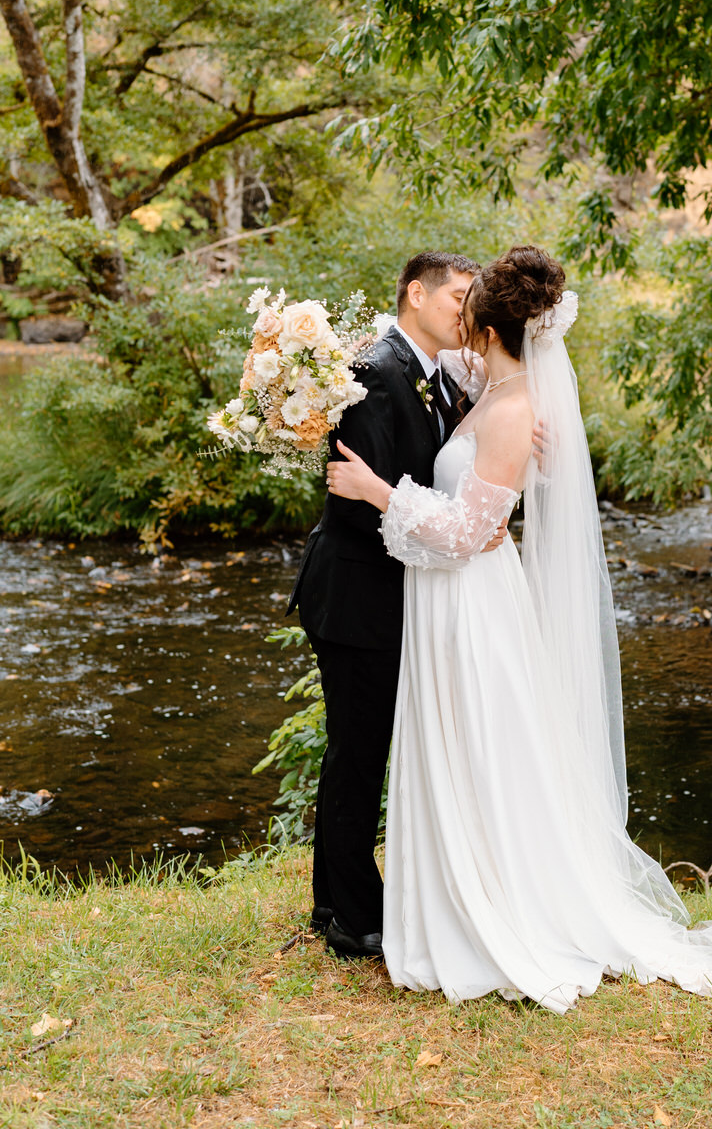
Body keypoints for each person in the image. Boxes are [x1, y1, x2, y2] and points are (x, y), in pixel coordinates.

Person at [326, 245, 712, 1011]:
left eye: (469, 308)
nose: (459, 318)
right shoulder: (488, 387)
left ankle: (490, 904)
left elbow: (467, 534)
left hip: (470, 601)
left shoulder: (515, 406)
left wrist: (376, 490)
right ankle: (441, 898)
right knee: (463, 747)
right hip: (448, 600)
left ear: (488, 329)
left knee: (483, 747)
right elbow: (430, 396)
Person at [286, 250, 490, 958]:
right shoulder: (376, 372)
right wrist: (450, 535)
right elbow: (356, 508)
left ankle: (331, 900)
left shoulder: (432, 375)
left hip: (388, 593)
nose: (467, 312)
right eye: (458, 297)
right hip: (356, 595)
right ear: (415, 294)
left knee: (361, 746)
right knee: (359, 752)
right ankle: (350, 917)